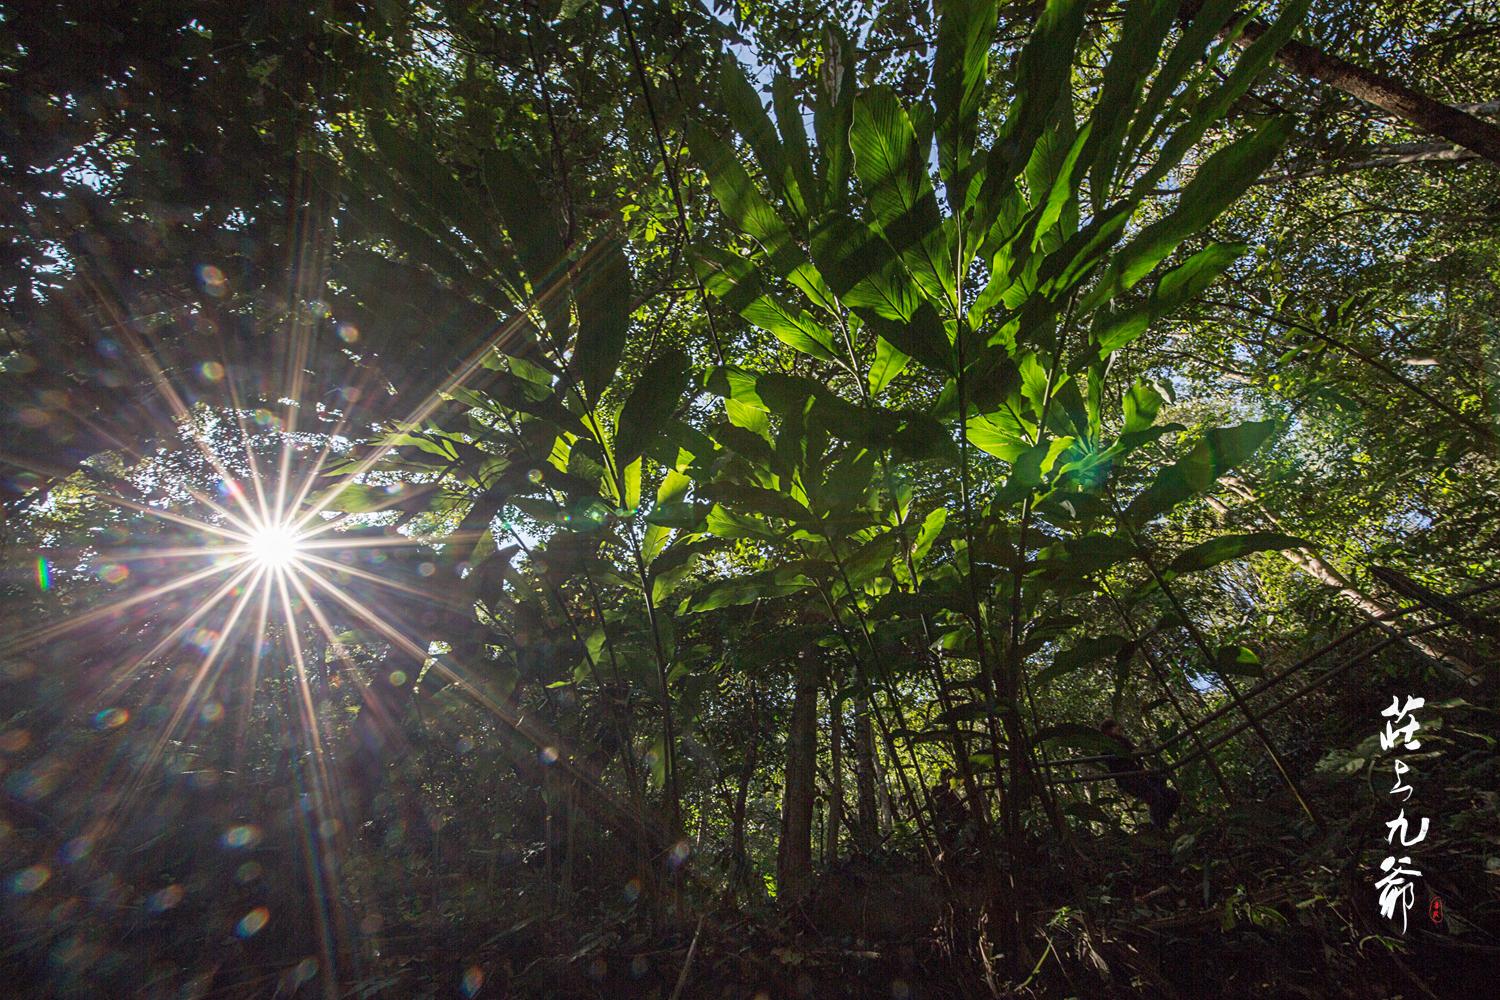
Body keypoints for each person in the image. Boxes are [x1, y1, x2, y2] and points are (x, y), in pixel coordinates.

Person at [1099, 719, 1180, 830]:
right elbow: (1116, 762)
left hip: (1140, 776)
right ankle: (1160, 829)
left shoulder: (1122, 740)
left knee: (1171, 795)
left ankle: (1163, 823)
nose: (1119, 730)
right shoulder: (1107, 746)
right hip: (1129, 779)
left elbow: (1136, 754)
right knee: (1156, 799)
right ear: (1108, 730)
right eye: (1115, 728)